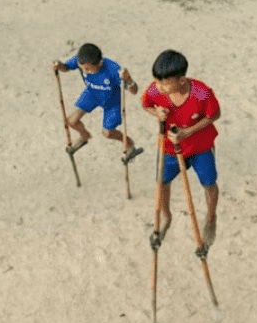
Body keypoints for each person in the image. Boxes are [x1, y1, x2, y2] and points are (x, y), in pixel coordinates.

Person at [142, 49, 220, 248]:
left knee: (209, 183)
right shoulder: (155, 89)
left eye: (165, 83)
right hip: (169, 147)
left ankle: (211, 218)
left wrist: (188, 132)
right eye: (157, 81)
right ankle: (167, 215)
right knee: (162, 181)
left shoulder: (201, 92)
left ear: (182, 81)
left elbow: (214, 115)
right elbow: (146, 104)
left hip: (199, 146)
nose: (158, 87)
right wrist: (156, 112)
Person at [52, 43, 143, 163]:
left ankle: (129, 142)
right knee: (71, 120)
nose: (85, 71)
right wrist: (59, 65)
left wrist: (128, 79)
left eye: (88, 69)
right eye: (82, 68)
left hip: (112, 102)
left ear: (99, 63)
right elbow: (66, 67)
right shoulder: (81, 60)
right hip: (92, 94)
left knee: (107, 133)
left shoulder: (113, 69)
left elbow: (134, 91)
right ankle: (84, 136)